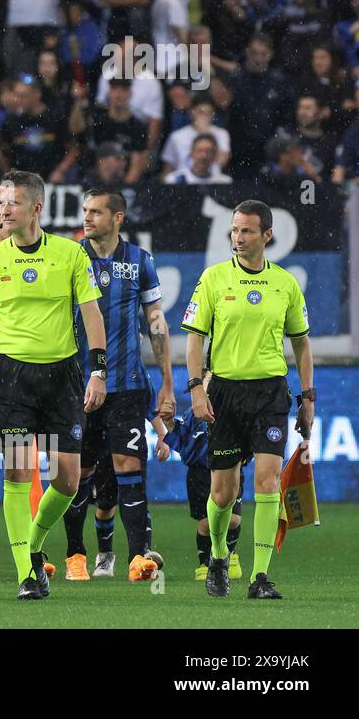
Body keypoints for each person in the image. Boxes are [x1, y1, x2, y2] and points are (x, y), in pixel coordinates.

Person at [0, 170, 107, 600]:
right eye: (0, 201)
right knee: (18, 475)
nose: (4, 209)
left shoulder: (71, 255)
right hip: (13, 378)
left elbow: (92, 315)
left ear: (36, 208)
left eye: (13, 202)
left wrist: (98, 371)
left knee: (68, 482)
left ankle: (35, 544)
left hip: (63, 377)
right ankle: (26, 573)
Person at [180, 200, 313, 600]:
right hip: (224, 393)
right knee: (222, 493)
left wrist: (308, 399)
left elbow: (302, 345)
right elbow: (194, 338)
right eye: (235, 230)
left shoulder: (285, 284)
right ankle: (219, 556)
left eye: (247, 231)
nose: (238, 238)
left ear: (267, 236)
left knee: (268, 482)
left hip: (270, 392)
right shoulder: (214, 278)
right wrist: (196, 388)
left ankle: (259, 577)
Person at [62, 189, 173, 583]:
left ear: (118, 217)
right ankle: (76, 554)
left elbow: (156, 322)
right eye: (85, 211)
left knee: (130, 466)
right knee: (77, 473)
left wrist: (167, 384)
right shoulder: (71, 257)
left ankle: (138, 557)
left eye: (96, 212)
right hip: (80, 384)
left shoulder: (141, 261)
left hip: (126, 384)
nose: (87, 217)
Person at [158, 404, 245, 581]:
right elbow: (182, 438)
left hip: (229, 466)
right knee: (205, 523)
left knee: (233, 519)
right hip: (200, 472)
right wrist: (169, 423)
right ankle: (205, 563)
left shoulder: (234, 404)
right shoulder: (193, 412)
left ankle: (230, 554)